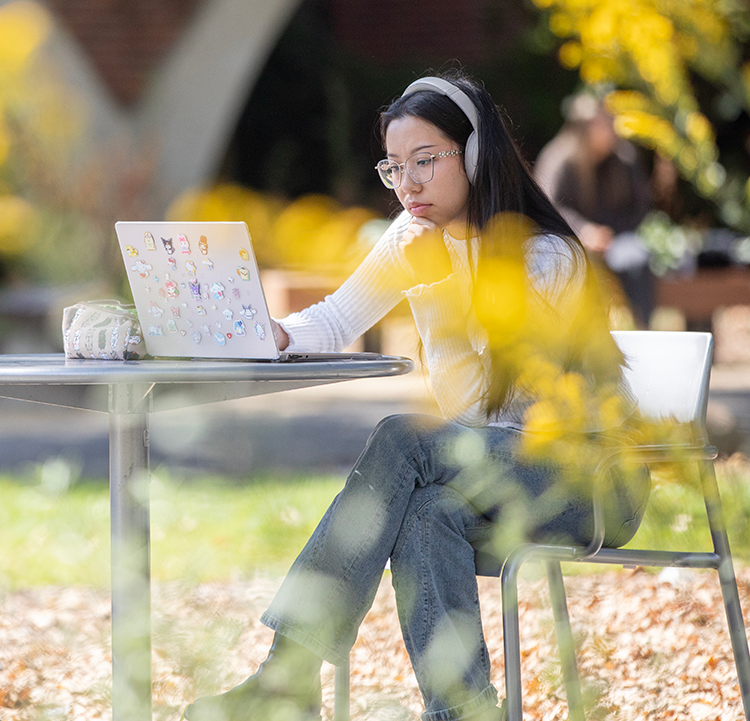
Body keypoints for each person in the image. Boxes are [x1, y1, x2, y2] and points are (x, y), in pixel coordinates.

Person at [184, 70, 650, 721]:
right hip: (492, 473)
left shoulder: (546, 257)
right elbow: (338, 318)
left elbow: (495, 406)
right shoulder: (413, 239)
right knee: (429, 512)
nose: (407, 183)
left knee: (405, 437)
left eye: (424, 161)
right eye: (393, 167)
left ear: (476, 153)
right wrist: (278, 331)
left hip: (585, 474)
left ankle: (287, 676)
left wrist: (441, 287)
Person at [534, 93, 655, 328]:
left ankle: (643, 331)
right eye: (600, 124)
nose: (608, 130)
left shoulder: (624, 159)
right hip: (572, 241)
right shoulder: (559, 161)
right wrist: (583, 230)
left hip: (617, 240)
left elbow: (640, 205)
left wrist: (611, 233)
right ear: (582, 128)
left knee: (637, 260)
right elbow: (548, 206)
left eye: (609, 122)